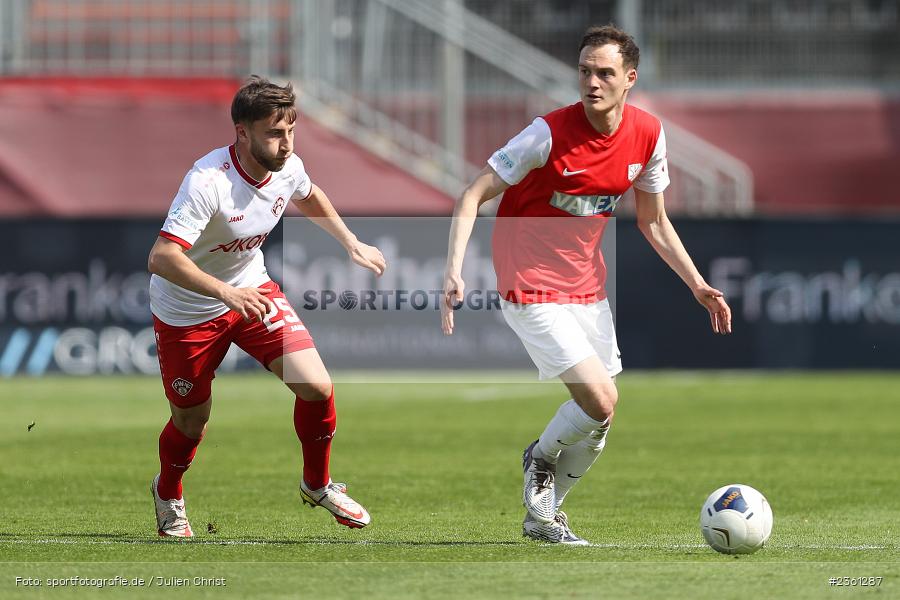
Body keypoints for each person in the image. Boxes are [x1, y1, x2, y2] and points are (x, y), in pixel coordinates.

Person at [441, 25, 732, 545]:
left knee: (604, 412)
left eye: (604, 73)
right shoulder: (545, 134)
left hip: (586, 286)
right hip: (527, 282)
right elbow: (472, 194)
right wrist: (454, 270)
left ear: (630, 79)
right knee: (598, 399)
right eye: (584, 71)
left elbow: (654, 222)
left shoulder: (649, 135)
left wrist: (697, 284)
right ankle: (541, 458)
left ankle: (543, 516)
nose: (591, 82)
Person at [147, 76, 386, 537]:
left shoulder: (288, 165)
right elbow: (161, 257)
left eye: (291, 131)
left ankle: (317, 484)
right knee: (192, 421)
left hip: (251, 290)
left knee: (316, 386)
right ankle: (168, 492)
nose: (285, 143)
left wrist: (350, 241)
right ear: (242, 132)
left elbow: (308, 193)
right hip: (188, 312)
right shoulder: (208, 181)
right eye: (274, 133)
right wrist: (224, 293)